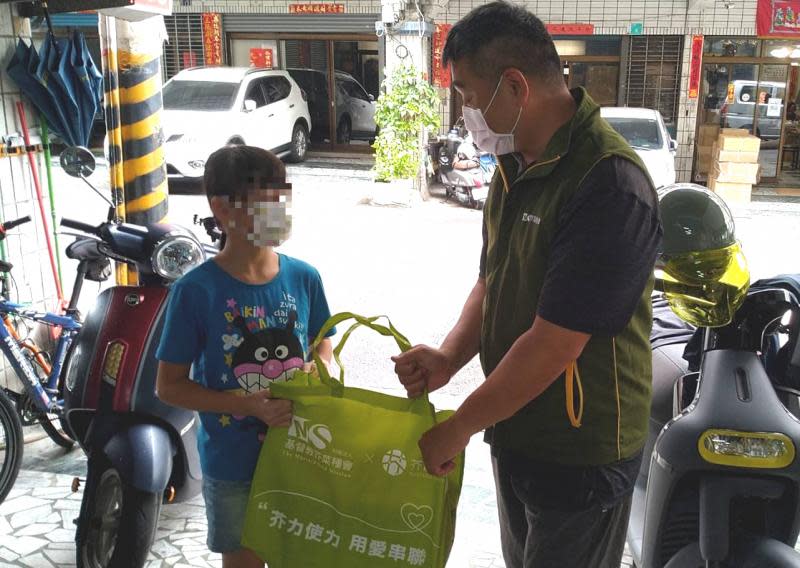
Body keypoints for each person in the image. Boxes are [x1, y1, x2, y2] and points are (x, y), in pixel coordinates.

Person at [392, 3, 662, 567]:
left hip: (582, 449)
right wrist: (448, 358)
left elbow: (556, 343)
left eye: (467, 96)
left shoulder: (609, 183)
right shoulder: (515, 165)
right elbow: (492, 281)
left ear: (514, 86)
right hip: (517, 428)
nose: (465, 113)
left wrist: (459, 425)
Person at [155, 145, 335, 568]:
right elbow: (169, 386)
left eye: (282, 201)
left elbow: (323, 343)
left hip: (300, 455)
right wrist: (245, 403)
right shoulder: (196, 292)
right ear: (222, 210)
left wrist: (322, 366)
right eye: (264, 204)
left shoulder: (304, 278)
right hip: (232, 465)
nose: (279, 215)